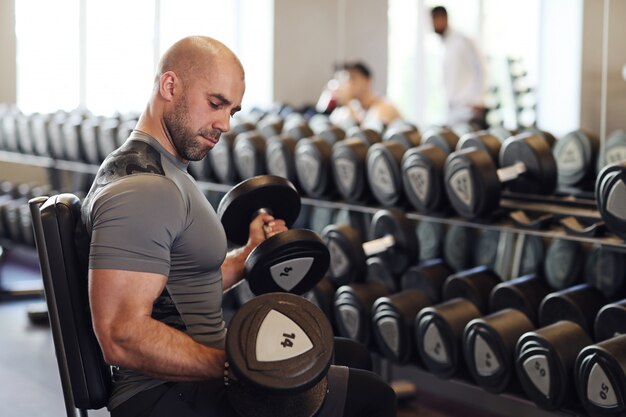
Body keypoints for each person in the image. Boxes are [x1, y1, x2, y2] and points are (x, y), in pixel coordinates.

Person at [81, 36, 396, 417]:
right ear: (169, 86)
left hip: (192, 380)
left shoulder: (162, 169)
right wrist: (237, 367)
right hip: (170, 395)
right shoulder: (143, 189)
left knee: (349, 354)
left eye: (233, 110)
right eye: (215, 104)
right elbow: (122, 335)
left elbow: (183, 283)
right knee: (372, 397)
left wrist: (247, 255)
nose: (226, 124)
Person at [431, 6, 487, 128]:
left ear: (442, 18)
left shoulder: (462, 40)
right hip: (453, 109)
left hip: (468, 108)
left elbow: (481, 68)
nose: (431, 25)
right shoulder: (444, 45)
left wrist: (478, 99)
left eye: (433, 21)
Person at [319, 61, 402, 127]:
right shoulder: (354, 109)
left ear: (368, 80)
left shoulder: (384, 107)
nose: (348, 84)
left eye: (353, 78)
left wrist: (348, 103)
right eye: (346, 80)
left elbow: (370, 136)